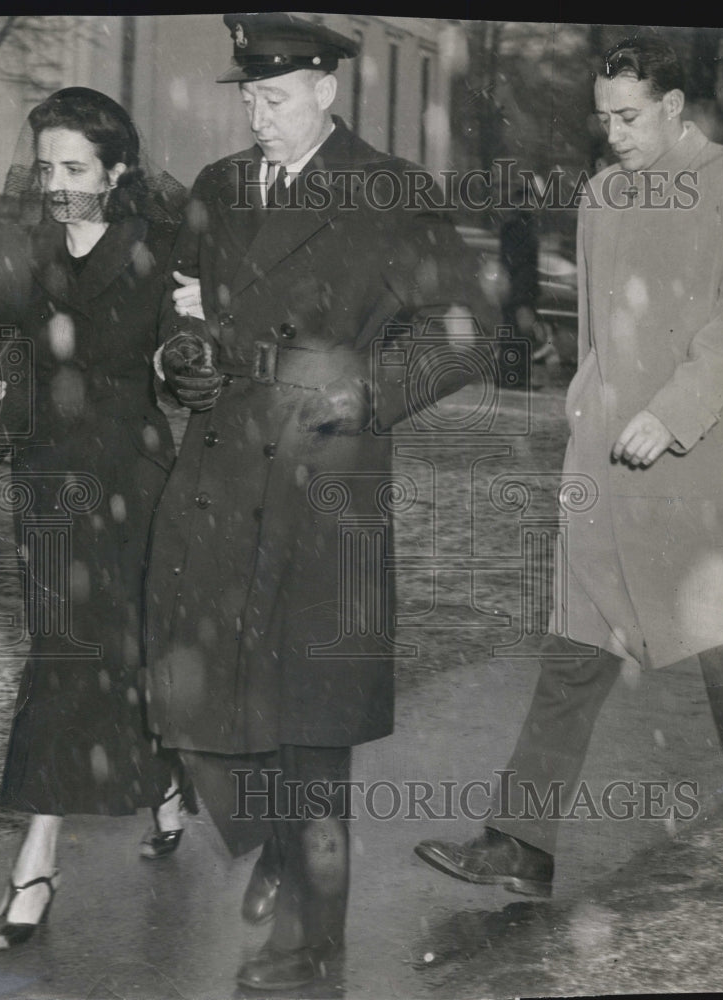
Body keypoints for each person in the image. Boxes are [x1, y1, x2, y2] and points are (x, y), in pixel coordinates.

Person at [145, 13, 496, 990]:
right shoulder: (217, 190)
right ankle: (273, 851)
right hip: (219, 485)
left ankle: (310, 949)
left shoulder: (389, 193)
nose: (260, 115)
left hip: (326, 487)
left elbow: (469, 331)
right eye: (250, 97)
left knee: (311, 732)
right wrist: (181, 364)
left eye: (279, 97)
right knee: (196, 705)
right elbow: (179, 321)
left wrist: (370, 391)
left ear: (327, 91)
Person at [415, 36, 723, 896]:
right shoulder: (601, 194)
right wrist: (586, 415)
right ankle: (520, 842)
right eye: (603, 118)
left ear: (675, 108)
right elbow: (606, 334)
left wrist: (671, 413)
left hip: (703, 466)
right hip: (605, 461)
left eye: (629, 116)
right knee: (575, 650)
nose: (612, 133)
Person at [0, 87, 196, 951]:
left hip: (131, 483)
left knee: (117, 649)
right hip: (47, 484)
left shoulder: (157, 251)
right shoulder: (23, 252)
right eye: (46, 167)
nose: (55, 185)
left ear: (117, 170)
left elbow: (182, 357)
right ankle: (82, 830)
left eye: (74, 169)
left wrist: (187, 354)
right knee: (66, 655)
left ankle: (90, 824)